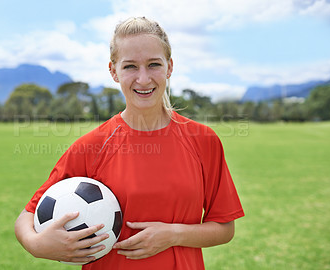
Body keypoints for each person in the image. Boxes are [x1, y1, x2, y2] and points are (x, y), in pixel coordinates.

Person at [15, 16, 244, 270]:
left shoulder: (203, 141)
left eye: (153, 64)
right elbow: (27, 216)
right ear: (114, 71)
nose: (143, 79)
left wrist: (173, 235)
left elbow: (224, 227)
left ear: (169, 67)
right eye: (130, 67)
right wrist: (37, 245)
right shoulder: (92, 146)